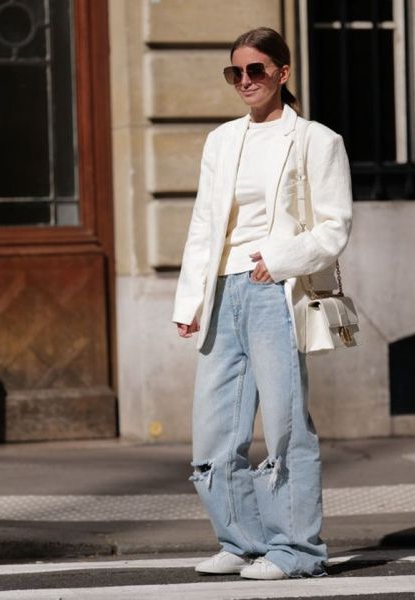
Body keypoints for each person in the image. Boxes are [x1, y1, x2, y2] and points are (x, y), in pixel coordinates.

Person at [172, 27, 353, 580]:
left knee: (283, 424)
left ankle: (297, 550)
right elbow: (205, 222)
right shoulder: (223, 140)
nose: (245, 81)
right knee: (214, 429)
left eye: (255, 70)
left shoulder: (316, 141)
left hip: (275, 290)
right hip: (222, 290)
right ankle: (242, 540)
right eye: (236, 73)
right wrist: (190, 297)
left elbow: (334, 226)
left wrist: (279, 258)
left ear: (282, 72)